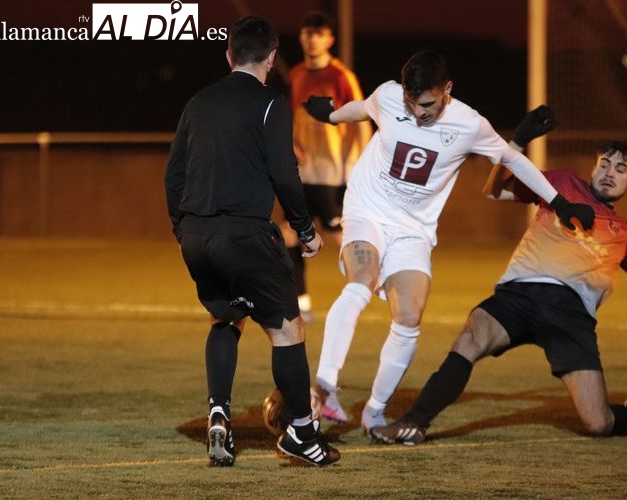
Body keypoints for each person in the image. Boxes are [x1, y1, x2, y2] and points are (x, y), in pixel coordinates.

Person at [369, 125, 627, 445]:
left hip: (570, 315)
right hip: (519, 295)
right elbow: (494, 190)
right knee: (470, 337)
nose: (610, 172)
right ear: (594, 165)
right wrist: (517, 145)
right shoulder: (561, 184)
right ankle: (413, 425)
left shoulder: (624, 232)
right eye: (604, 163)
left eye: (621, 168)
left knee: (597, 423)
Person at [302, 51, 595, 434]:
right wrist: (330, 115)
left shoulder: (469, 123)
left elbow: (513, 161)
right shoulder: (390, 95)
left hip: (414, 229)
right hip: (367, 210)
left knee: (408, 318)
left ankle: (375, 410)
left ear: (447, 90)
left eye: (426, 103)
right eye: (411, 102)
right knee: (361, 281)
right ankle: (323, 389)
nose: (418, 111)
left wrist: (559, 202)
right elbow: (363, 108)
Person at [164, 16, 339, 467]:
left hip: (197, 235)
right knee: (287, 330)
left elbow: (174, 176)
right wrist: (304, 230)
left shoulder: (198, 102)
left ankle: (218, 413)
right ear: (273, 57)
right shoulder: (271, 104)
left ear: (228, 56)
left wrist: (181, 229)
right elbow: (285, 172)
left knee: (226, 318)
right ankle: (301, 433)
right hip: (244, 234)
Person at [279, 12, 372, 324]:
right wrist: (290, 144)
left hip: (334, 176)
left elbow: (361, 123)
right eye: (308, 33)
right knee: (289, 235)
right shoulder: (295, 74)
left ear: (330, 39)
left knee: (342, 236)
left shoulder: (342, 76)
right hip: (303, 175)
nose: (312, 39)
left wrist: (355, 173)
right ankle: (301, 303)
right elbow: (293, 117)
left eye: (319, 33)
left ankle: (364, 293)